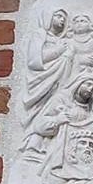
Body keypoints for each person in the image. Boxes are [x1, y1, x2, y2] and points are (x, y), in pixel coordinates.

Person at [36, 72, 93, 184]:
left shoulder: (92, 109)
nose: (90, 89)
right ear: (78, 84)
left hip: (86, 155)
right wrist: (58, 120)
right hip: (63, 151)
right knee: (54, 180)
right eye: (87, 84)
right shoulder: (60, 101)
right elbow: (39, 125)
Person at [21, 8, 72, 158]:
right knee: (40, 112)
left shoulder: (61, 41)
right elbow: (34, 61)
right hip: (41, 82)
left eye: (64, 19)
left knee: (52, 111)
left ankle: (45, 148)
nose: (62, 21)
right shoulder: (40, 34)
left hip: (57, 82)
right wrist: (58, 51)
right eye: (58, 16)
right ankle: (31, 145)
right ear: (48, 17)